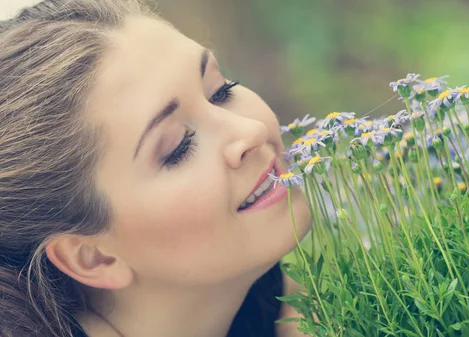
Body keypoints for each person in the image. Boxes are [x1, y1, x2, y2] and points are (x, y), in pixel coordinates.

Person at [0, 0, 313, 336]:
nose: (251, 130)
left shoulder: (284, 298)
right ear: (92, 257)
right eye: (178, 148)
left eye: (221, 90)